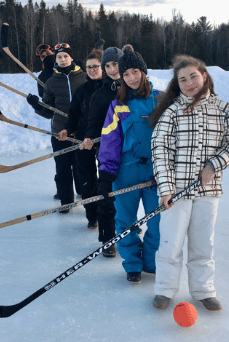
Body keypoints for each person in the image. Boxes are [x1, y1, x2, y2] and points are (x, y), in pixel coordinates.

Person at [150, 55, 229, 311]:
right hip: (178, 192)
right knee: (170, 243)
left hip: (208, 190)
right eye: (183, 79)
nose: (189, 82)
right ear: (177, 85)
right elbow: (160, 150)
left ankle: (203, 290)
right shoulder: (171, 112)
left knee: (204, 243)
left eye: (193, 76)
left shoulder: (223, 108)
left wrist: (214, 165)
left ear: (204, 75)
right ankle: (165, 289)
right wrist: (166, 189)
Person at [98, 47, 161, 282]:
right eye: (126, 74)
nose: (132, 78)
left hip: (157, 172)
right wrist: (105, 173)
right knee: (125, 221)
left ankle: (152, 262)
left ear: (144, 72)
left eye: (135, 72)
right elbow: (110, 142)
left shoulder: (162, 100)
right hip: (126, 171)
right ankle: (132, 263)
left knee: (158, 221)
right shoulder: (118, 105)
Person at [26, 43, 86, 211]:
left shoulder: (83, 77)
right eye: (59, 57)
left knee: (83, 168)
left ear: (71, 57)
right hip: (60, 133)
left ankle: (88, 204)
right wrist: (36, 105)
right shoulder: (51, 82)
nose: (63, 59)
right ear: (56, 60)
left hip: (81, 131)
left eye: (66, 56)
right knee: (63, 169)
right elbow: (48, 112)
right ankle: (66, 204)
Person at [81, 46, 124, 257]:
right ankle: (108, 238)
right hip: (107, 153)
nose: (111, 69)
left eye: (115, 64)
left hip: (132, 154)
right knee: (107, 194)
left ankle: (129, 229)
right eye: (107, 65)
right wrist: (90, 137)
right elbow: (93, 122)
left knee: (128, 195)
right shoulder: (99, 95)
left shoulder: (134, 89)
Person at [58, 49, 104, 229]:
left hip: (105, 141)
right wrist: (67, 129)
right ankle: (92, 216)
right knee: (87, 179)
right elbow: (73, 115)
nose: (92, 70)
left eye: (96, 66)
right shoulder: (81, 90)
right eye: (89, 67)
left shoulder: (110, 89)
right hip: (83, 141)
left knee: (108, 179)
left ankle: (113, 216)